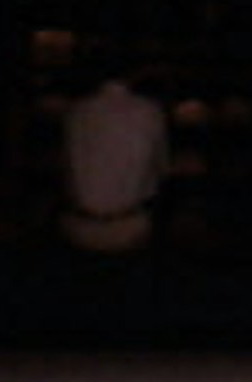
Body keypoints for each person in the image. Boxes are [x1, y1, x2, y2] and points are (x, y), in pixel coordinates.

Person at [56, 58, 170, 259]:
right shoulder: (148, 110)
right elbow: (161, 168)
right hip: (128, 227)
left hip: (78, 224)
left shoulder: (77, 111)